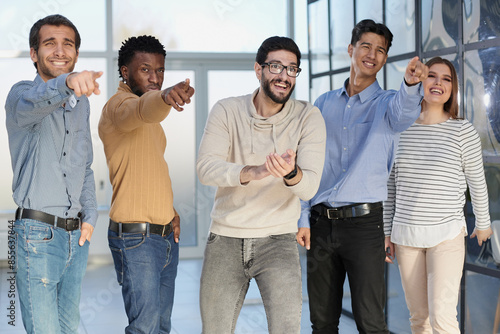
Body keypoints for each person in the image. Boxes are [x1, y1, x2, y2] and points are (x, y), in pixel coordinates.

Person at [298, 19, 429, 334]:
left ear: (384, 59)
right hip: (320, 223)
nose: (372, 54)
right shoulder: (322, 104)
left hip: (365, 226)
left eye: (380, 50)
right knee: (322, 322)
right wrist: (303, 216)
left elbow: (405, 113)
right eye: (366, 46)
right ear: (351, 50)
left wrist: (411, 84)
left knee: (371, 323)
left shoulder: (389, 105)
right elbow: (308, 163)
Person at [196, 36, 326, 333]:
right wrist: (252, 172)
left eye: (292, 69)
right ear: (258, 69)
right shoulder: (226, 110)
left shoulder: (308, 117)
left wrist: (291, 173)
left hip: (278, 240)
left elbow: (309, 188)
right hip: (225, 239)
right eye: (276, 66)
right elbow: (206, 169)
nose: (284, 76)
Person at [5, 14, 101, 333]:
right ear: (34, 54)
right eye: (50, 43)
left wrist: (90, 215)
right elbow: (38, 101)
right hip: (37, 235)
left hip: (77, 235)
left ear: (76, 53)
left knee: (69, 327)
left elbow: (83, 164)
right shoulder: (20, 96)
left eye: (68, 44)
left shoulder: (82, 104)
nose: (60, 50)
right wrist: (67, 83)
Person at [384, 57, 493, 333]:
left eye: (447, 79)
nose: (438, 83)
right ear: (421, 81)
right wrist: (387, 232)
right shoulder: (400, 129)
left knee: (443, 319)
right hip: (406, 236)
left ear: (452, 88)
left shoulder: (461, 130)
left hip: (446, 234)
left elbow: (476, 181)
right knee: (419, 319)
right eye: (432, 76)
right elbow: (391, 186)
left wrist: (483, 223)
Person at [98, 35, 195, 334]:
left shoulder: (151, 121)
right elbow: (143, 109)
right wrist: (165, 96)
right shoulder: (118, 108)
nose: (155, 77)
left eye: (160, 70)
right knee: (145, 328)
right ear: (126, 72)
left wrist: (171, 210)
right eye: (145, 70)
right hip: (136, 240)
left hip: (165, 236)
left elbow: (150, 170)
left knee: (161, 326)